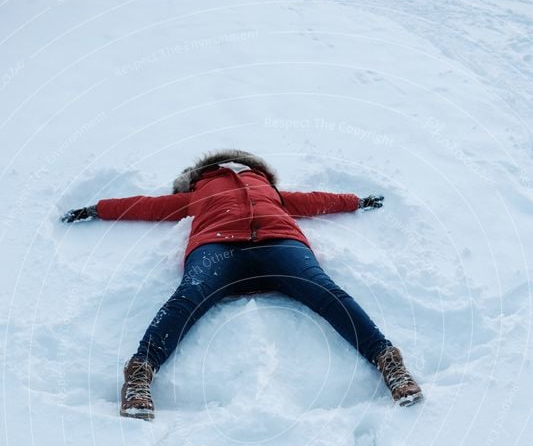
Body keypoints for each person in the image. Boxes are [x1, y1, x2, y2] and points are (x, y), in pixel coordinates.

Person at [62, 149, 423, 420]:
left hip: (279, 243)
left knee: (325, 291)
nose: (239, 172)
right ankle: (140, 372)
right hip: (218, 246)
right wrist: (99, 208)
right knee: (188, 296)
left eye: (246, 169)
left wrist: (355, 201)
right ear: (201, 176)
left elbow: (314, 201)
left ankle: (388, 361)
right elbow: (147, 206)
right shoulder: (196, 194)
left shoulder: (271, 192)